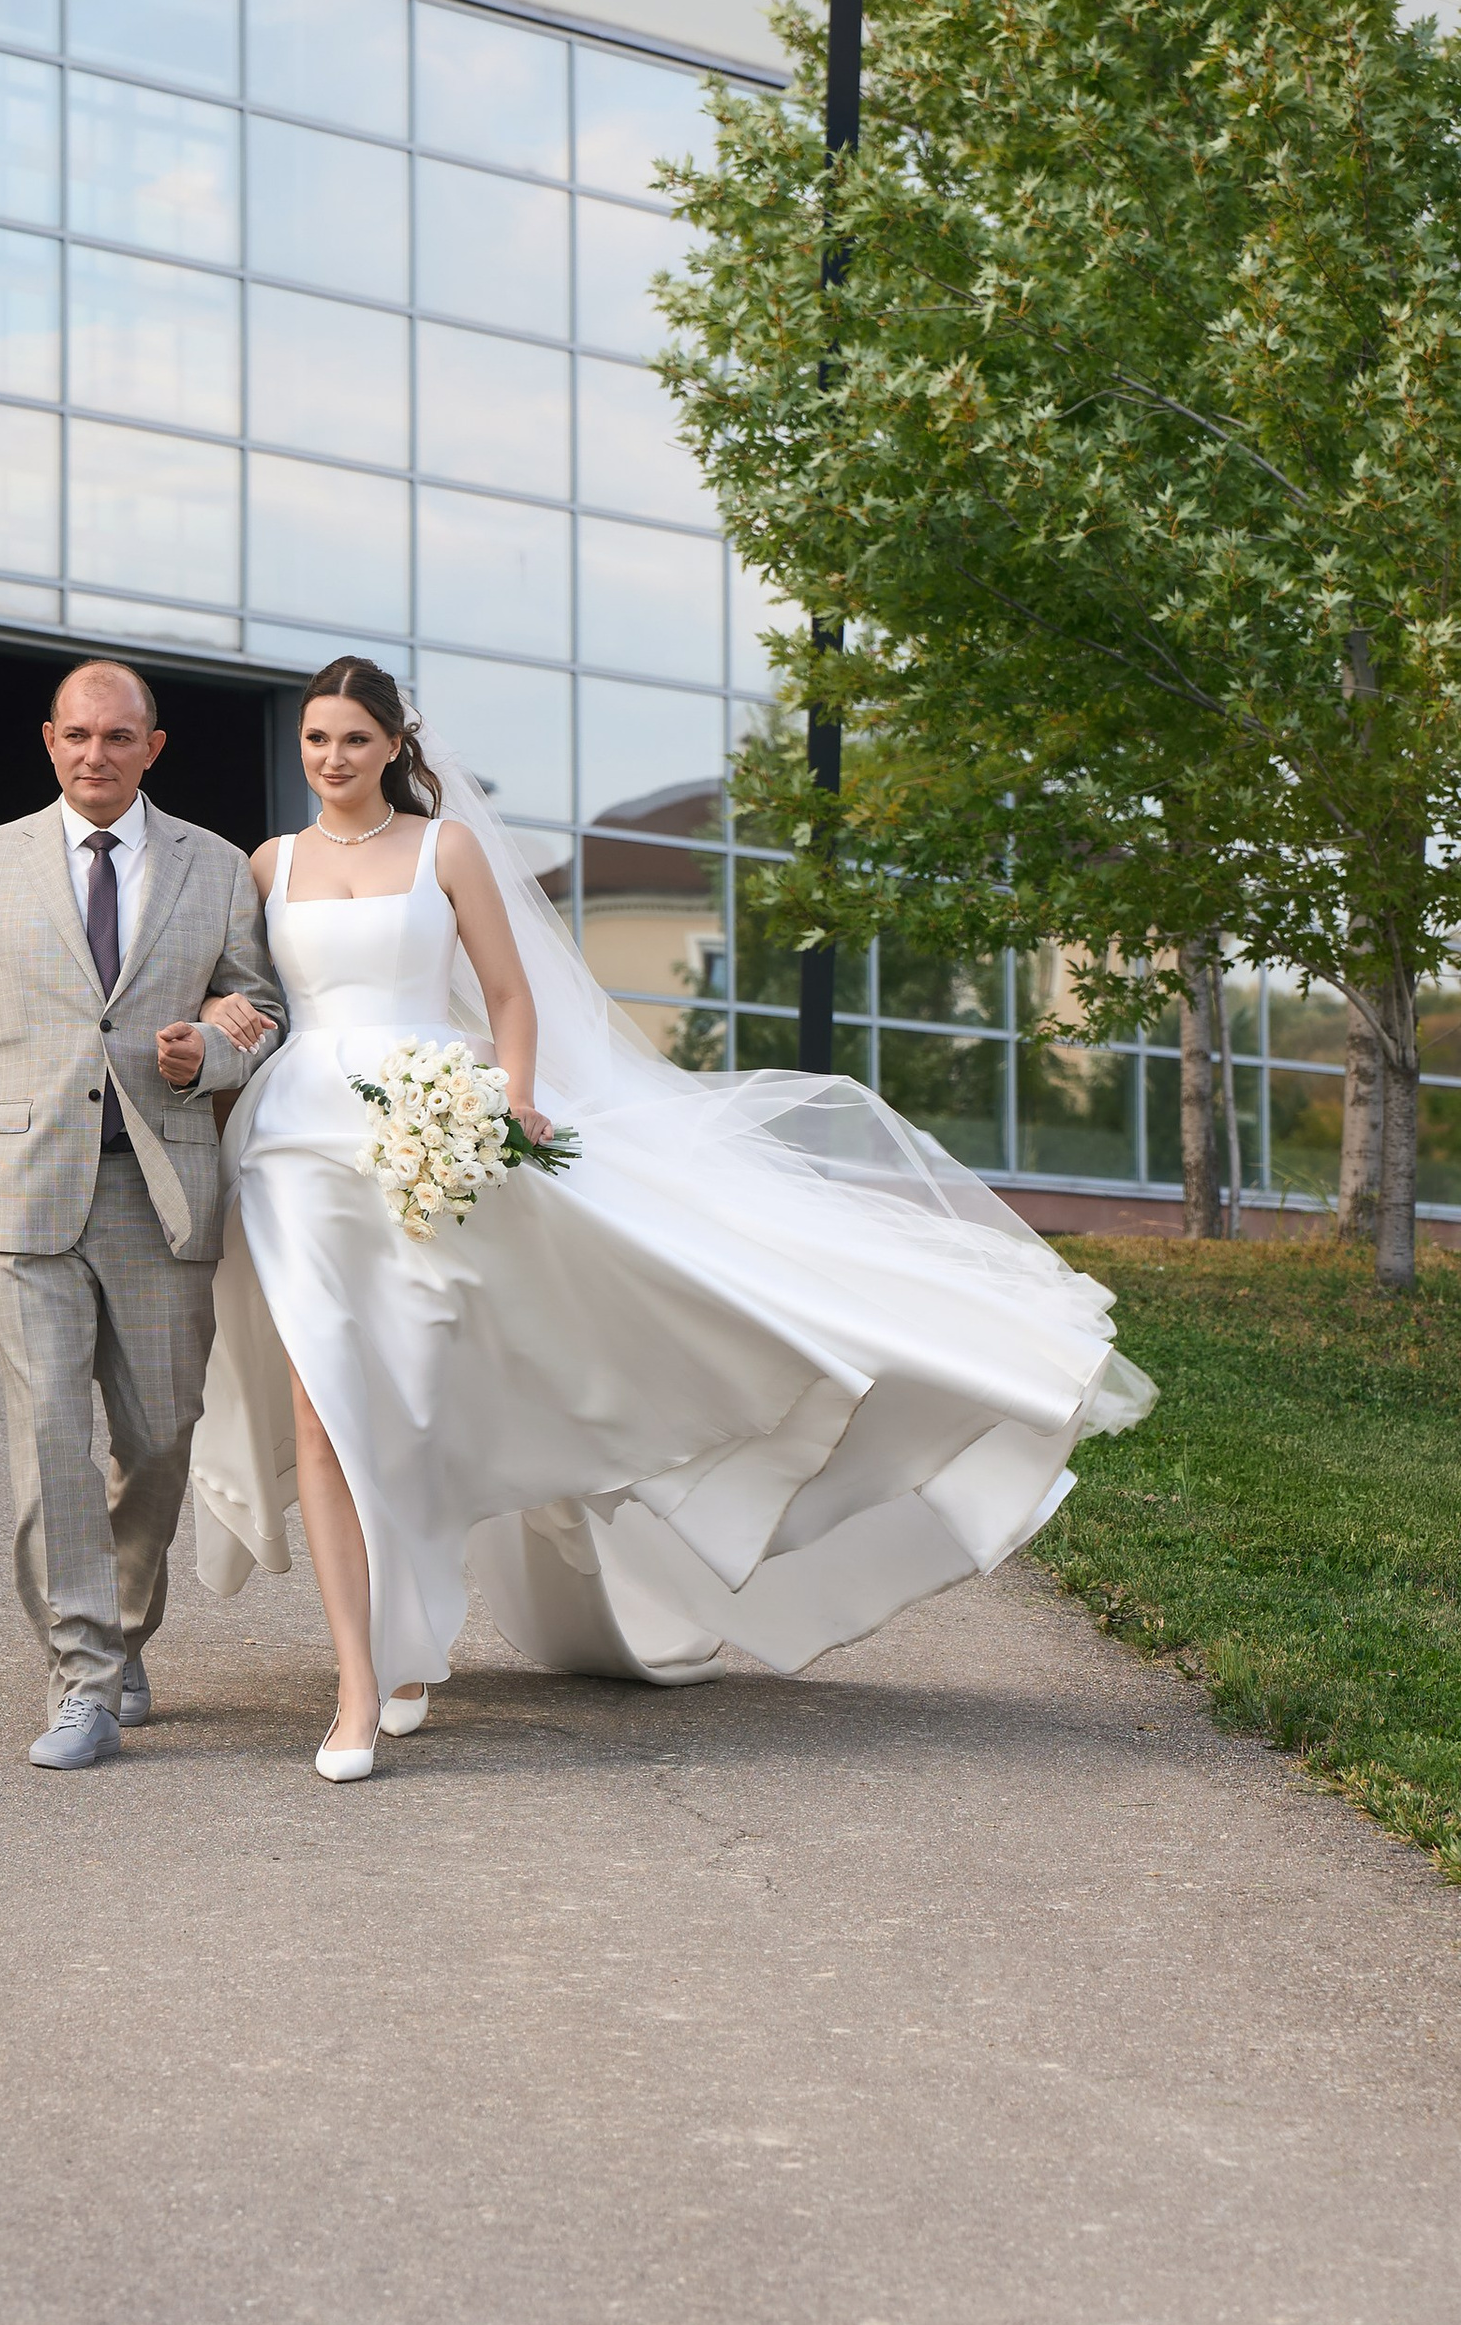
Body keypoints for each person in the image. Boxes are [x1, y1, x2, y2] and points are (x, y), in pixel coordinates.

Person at [190, 656, 1155, 1781]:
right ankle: (357, 1683)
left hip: (428, 1137)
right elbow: (247, 994)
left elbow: (510, 995)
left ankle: (409, 1642)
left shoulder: (444, 850)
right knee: (323, 1408)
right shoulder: (268, 862)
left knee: (409, 1402)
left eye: (353, 738)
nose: (331, 759)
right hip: (298, 1146)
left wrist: (511, 1095)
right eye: (315, 739)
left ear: (395, 745)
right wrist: (213, 1015)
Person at [0, 658, 285, 1769]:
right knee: (50, 1435)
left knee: (157, 1439)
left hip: (161, 1191)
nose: (94, 754)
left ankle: (119, 1624)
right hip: (19, 1190)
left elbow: (265, 1011)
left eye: (118, 737)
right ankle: (82, 1674)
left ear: (152, 748)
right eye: (76, 736)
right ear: (48, 742)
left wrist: (208, 1054)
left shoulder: (214, 867)